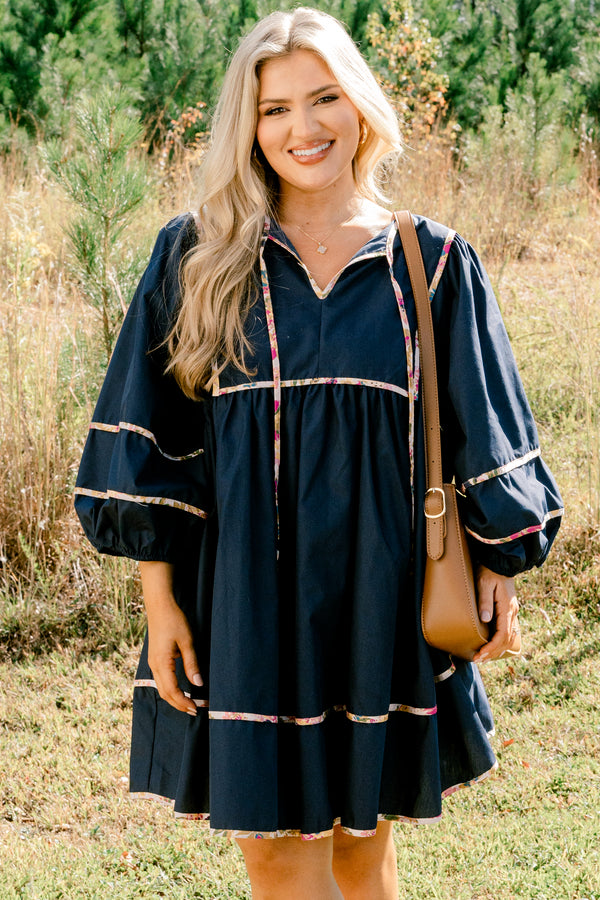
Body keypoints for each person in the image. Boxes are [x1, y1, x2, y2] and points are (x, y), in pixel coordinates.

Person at [74, 8, 563, 899]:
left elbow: (485, 431)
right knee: (274, 855)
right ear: (249, 126)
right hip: (243, 605)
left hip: (383, 595)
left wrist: (500, 564)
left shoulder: (432, 261)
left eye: (324, 98)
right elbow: (153, 445)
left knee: (360, 851)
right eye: (275, 109)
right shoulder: (198, 256)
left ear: (360, 104)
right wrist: (159, 604)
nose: (303, 127)